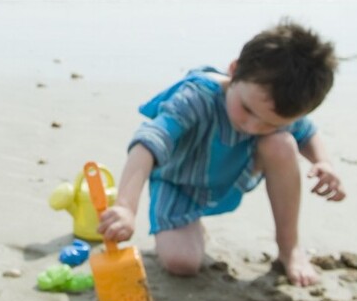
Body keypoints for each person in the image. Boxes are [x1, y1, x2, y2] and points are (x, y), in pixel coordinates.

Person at [98, 20, 343, 286]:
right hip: (179, 182)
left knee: (281, 143)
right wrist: (125, 208)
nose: (253, 126)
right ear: (234, 70)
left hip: (236, 171)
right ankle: (191, 229)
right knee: (182, 263)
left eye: (270, 123)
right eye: (247, 110)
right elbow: (147, 142)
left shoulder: (278, 106)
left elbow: (306, 132)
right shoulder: (195, 97)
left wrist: (323, 162)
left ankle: (290, 248)